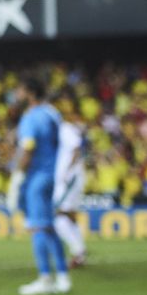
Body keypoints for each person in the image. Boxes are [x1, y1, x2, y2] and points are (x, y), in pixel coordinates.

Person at [8, 79, 71, 295]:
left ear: (30, 92)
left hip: (36, 176)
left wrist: (18, 175)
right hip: (52, 174)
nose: (16, 92)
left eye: (20, 88)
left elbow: (28, 148)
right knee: (48, 226)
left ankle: (45, 278)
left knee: (36, 227)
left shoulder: (31, 116)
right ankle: (62, 276)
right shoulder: (52, 113)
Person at [54, 102, 89, 268]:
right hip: (72, 177)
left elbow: (77, 148)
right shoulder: (60, 130)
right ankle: (80, 252)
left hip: (70, 178)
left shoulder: (65, 129)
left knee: (55, 214)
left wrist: (67, 172)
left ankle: (77, 251)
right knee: (69, 215)